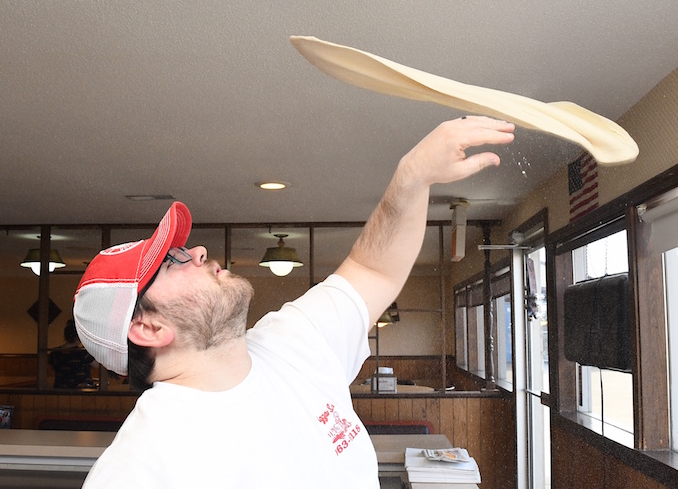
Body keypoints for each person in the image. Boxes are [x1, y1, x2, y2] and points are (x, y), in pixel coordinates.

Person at [72, 115, 515, 488]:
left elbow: (373, 269)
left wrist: (414, 175)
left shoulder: (293, 339)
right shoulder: (139, 468)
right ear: (148, 329)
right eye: (172, 262)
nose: (199, 252)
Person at [48, 319, 98, 388]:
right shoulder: (82, 352)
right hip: (83, 389)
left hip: (61, 389)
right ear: (78, 336)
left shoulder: (55, 352)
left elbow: (52, 367)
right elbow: (96, 365)